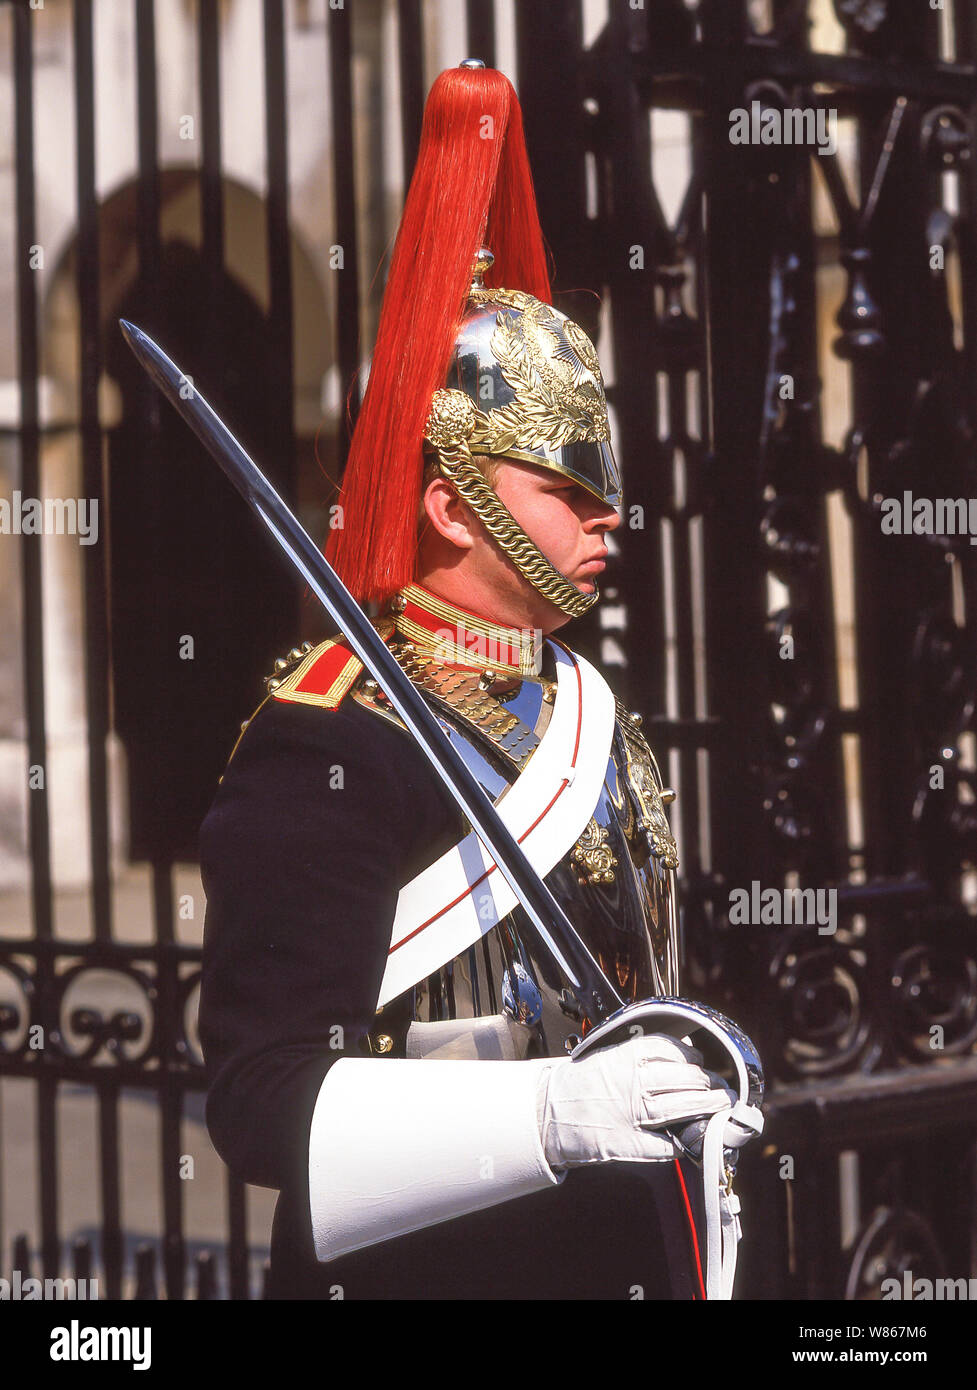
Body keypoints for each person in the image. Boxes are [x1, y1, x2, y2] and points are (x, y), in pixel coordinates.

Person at [198, 61, 760, 1301]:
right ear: (451, 507)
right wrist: (547, 1117)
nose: (606, 520)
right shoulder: (325, 737)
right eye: (565, 491)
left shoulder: (582, 706)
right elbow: (259, 1096)